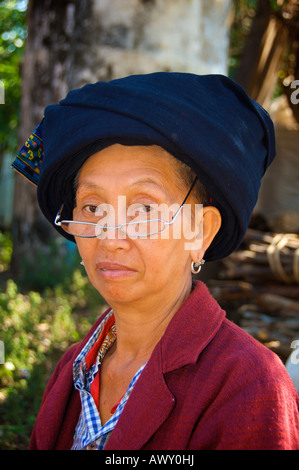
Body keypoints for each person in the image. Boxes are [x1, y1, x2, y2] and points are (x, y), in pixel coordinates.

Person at [12, 72, 299, 450]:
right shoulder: (74, 368)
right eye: (93, 207)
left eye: (143, 208)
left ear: (201, 231)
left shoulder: (249, 384)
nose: (110, 237)